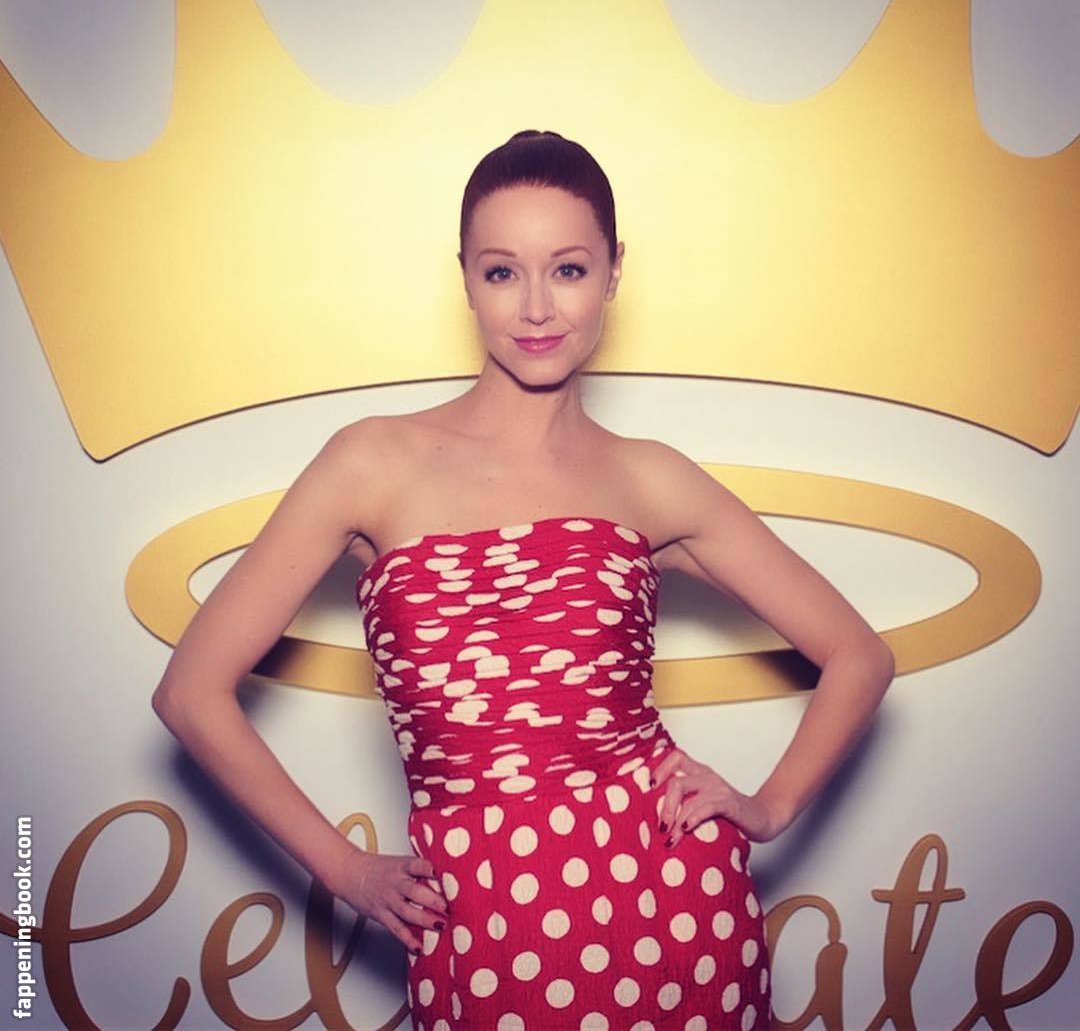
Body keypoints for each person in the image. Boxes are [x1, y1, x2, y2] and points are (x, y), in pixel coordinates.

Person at [152, 129, 895, 1030]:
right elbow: (190, 694)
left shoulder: (652, 477)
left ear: (613, 274)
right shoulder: (370, 462)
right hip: (481, 921)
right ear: (465, 279)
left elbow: (859, 655)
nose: (537, 307)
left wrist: (767, 808)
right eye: (503, 272)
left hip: (673, 910)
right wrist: (345, 870)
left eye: (569, 270)